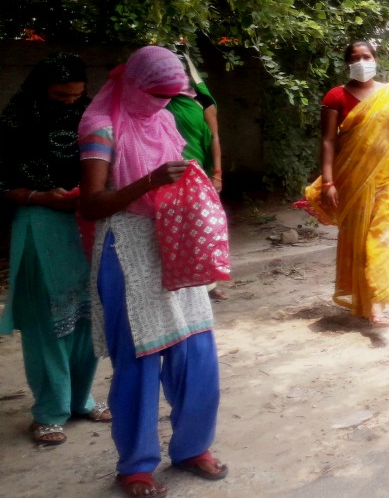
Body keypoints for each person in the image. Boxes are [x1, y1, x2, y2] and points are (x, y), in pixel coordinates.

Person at [78, 46, 227, 497]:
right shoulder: (100, 125)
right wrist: (150, 181)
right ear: (135, 84)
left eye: (171, 95)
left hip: (171, 243)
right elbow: (92, 203)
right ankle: (136, 465)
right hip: (125, 247)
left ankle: (192, 447)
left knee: (197, 352)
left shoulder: (163, 119)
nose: (164, 103)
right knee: (140, 359)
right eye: (157, 94)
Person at [0, 53, 111, 446]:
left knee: (86, 316)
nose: (70, 103)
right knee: (50, 322)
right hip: (39, 223)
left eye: (77, 96)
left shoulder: (90, 117)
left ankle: (81, 399)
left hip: (86, 222)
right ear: (41, 88)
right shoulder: (15, 121)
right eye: (61, 96)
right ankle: (48, 411)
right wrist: (39, 196)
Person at [314, 41, 389, 327]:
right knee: (356, 238)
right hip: (351, 177)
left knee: (381, 237)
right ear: (347, 63)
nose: (362, 62)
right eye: (355, 58)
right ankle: (364, 300)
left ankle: (376, 305)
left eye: (366, 56)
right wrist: (328, 182)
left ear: (375, 59)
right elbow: (328, 141)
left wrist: (378, 150)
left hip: (386, 175)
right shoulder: (335, 97)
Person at [166, 52, 227, 301]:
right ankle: (179, 283)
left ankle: (208, 285)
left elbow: (213, 138)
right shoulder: (154, 101)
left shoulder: (202, 102)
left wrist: (217, 173)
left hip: (196, 174)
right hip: (165, 173)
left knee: (203, 228)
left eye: (179, 71)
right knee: (174, 229)